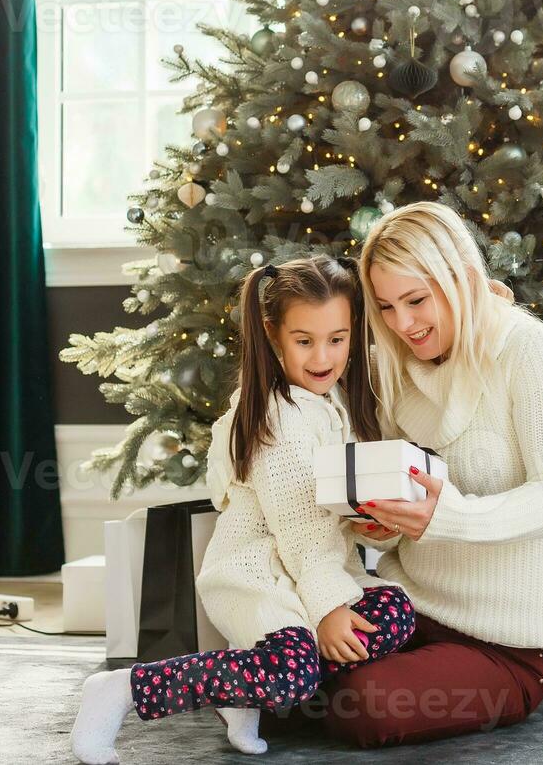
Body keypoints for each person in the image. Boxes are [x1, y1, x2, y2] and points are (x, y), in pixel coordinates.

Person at [70, 257, 415, 763]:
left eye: (337, 339)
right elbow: (301, 532)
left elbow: (340, 517)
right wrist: (329, 609)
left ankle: (246, 684)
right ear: (273, 335)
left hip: (315, 576)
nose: (323, 356)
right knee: (293, 673)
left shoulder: (335, 403)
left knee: (395, 609)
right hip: (261, 577)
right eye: (304, 341)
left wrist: (375, 526)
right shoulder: (276, 418)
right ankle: (123, 689)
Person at [299, 200, 543, 747]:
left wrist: (448, 515)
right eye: (385, 307)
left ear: (460, 278)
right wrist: (378, 523)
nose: (402, 324)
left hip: (507, 644)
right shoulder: (396, 365)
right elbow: (393, 492)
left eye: (416, 300)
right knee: (285, 654)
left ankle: (270, 697)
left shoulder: (537, 355)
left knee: (364, 704)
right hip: (407, 608)